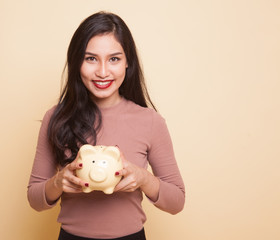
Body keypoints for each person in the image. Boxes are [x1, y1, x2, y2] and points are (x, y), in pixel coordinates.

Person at [27, 11, 185, 240]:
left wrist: (143, 178)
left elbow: (177, 201)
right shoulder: (56, 117)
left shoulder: (150, 121)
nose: (102, 72)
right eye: (91, 58)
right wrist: (58, 182)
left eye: (114, 59)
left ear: (127, 62)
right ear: (77, 61)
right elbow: (35, 199)